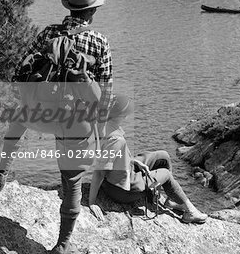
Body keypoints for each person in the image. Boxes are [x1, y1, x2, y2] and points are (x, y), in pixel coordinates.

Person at [0, 0, 113, 254]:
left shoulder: (48, 33)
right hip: (74, 121)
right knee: (72, 181)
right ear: (92, 12)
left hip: (41, 113)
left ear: (69, 8)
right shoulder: (99, 42)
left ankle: (0, 175)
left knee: (18, 120)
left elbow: (20, 72)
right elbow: (104, 94)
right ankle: (62, 245)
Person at [88, 95, 208, 224]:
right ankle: (190, 212)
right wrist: (92, 202)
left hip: (122, 173)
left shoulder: (105, 124)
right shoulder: (116, 140)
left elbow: (114, 156)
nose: (128, 117)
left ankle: (171, 200)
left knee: (163, 156)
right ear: (122, 115)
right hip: (122, 191)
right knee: (166, 174)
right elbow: (100, 171)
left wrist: (134, 161)